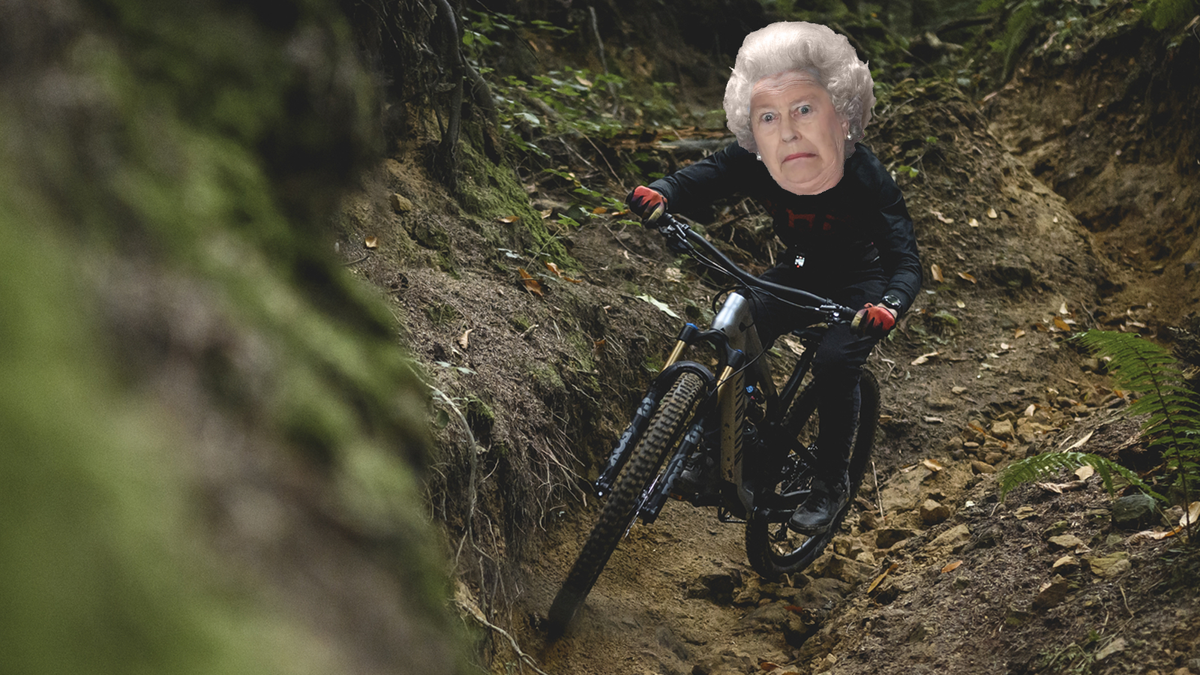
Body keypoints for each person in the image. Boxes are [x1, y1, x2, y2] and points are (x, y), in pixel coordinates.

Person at [626, 21, 921, 534]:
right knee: (735, 320)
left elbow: (904, 257)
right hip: (801, 269)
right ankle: (716, 451)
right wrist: (664, 192)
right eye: (770, 115)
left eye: (805, 109)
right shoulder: (759, 157)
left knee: (834, 362)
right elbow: (708, 176)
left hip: (860, 283)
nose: (787, 130)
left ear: (840, 115)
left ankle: (831, 483)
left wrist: (889, 305)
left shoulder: (865, 175)